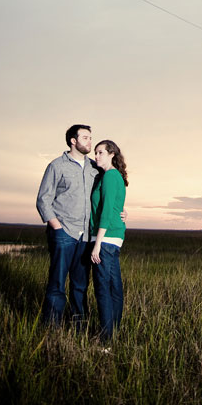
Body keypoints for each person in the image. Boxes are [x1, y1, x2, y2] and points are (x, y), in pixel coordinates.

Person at [36, 124, 100, 326]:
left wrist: (120, 211)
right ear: (73, 140)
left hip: (86, 237)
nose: (90, 142)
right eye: (85, 138)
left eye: (90, 138)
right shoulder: (57, 166)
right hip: (64, 233)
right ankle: (51, 328)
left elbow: (103, 196)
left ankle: (78, 328)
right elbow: (43, 199)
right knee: (57, 284)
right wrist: (57, 228)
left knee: (80, 285)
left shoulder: (94, 168)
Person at [90, 140, 128, 345]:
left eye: (100, 152)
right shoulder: (113, 176)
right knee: (114, 289)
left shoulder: (110, 176)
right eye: (95, 153)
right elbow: (115, 207)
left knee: (103, 289)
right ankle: (112, 335)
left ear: (111, 154)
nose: (96, 156)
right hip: (113, 238)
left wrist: (97, 243)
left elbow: (105, 211)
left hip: (105, 239)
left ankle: (105, 340)